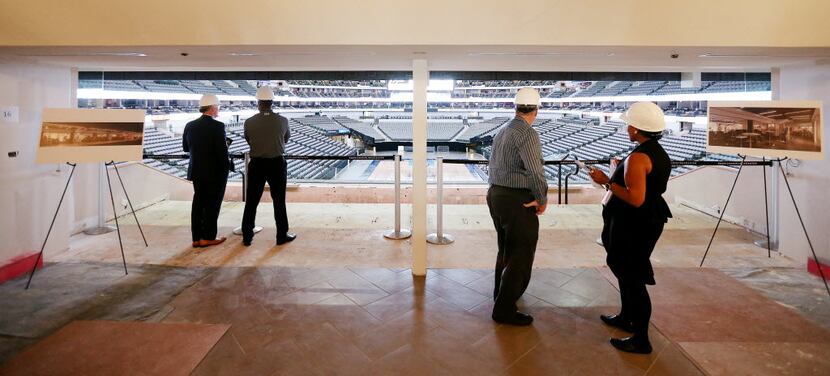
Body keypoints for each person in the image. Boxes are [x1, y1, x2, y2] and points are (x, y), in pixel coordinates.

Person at [588, 102, 673, 354]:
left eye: (629, 124)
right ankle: (627, 317)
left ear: (636, 129)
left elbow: (635, 198)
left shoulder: (638, 157)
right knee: (625, 271)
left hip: (634, 223)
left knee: (633, 277)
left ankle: (641, 338)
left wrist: (606, 181)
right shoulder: (656, 151)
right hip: (647, 218)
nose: (627, 128)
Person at [486, 87, 548, 326]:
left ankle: (500, 295)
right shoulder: (527, 134)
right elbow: (535, 171)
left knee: (505, 250)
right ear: (536, 109)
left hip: (496, 194)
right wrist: (541, 198)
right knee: (521, 254)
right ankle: (503, 309)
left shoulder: (503, 130)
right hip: (516, 199)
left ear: (516, 107)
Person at [240, 86, 296, 246]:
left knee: (251, 201)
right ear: (272, 103)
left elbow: (248, 139)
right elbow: (285, 140)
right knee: (279, 201)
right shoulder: (283, 120)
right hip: (276, 163)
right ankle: (281, 235)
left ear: (258, 103)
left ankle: (247, 236)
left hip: (256, 164)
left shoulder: (249, 122)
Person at [183, 94, 232, 248]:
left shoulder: (189, 125)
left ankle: (196, 238)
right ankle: (209, 237)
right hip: (214, 173)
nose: (218, 110)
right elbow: (222, 154)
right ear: (212, 108)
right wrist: (227, 168)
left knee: (198, 203)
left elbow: (185, 148)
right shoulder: (218, 126)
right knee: (212, 205)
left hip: (197, 171)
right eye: (217, 107)